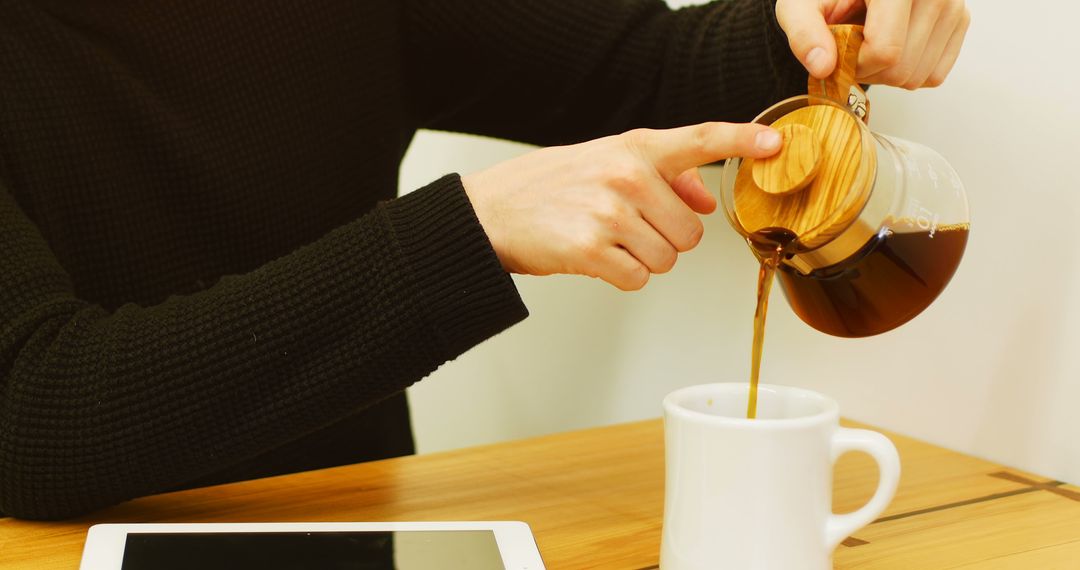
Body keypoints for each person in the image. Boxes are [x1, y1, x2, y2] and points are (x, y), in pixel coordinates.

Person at [0, 0, 968, 520]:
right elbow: (36, 416)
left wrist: (819, 22)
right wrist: (468, 232)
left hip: (355, 534)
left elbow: (649, 67)